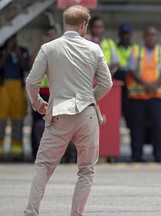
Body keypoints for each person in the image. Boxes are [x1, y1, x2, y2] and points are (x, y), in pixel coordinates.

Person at [24, 5, 112, 215]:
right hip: (87, 115)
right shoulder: (94, 48)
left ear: (66, 23)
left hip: (59, 114)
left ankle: (31, 212)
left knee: (44, 165)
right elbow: (106, 83)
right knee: (86, 170)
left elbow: (31, 82)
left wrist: (38, 103)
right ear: (84, 24)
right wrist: (90, 98)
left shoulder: (49, 48)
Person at [126, 26, 161, 163]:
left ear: (157, 37)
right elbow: (132, 70)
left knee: (159, 127)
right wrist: (146, 85)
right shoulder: (136, 51)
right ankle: (136, 155)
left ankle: (158, 156)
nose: (150, 38)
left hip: (157, 96)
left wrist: (154, 85)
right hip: (138, 97)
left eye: (153, 35)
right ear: (143, 37)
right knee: (136, 127)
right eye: (148, 35)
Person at [29, 26, 59, 161]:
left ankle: (54, 154)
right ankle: (36, 152)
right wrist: (42, 43)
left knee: (55, 123)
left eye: (53, 35)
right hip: (40, 93)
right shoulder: (42, 49)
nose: (50, 38)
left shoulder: (60, 49)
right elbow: (31, 63)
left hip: (56, 92)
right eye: (48, 35)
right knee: (37, 122)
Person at [0, 34, 30, 160]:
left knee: (18, 119)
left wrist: (18, 54)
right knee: (1, 119)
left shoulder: (23, 51)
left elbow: (27, 68)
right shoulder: (1, 50)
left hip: (18, 85)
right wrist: (6, 53)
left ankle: (16, 152)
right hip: (3, 85)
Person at [114, 23, 138, 127]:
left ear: (131, 34)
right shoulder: (114, 48)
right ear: (119, 35)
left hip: (131, 84)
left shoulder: (136, 49)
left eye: (127, 33)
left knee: (131, 113)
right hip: (118, 83)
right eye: (123, 33)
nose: (125, 36)